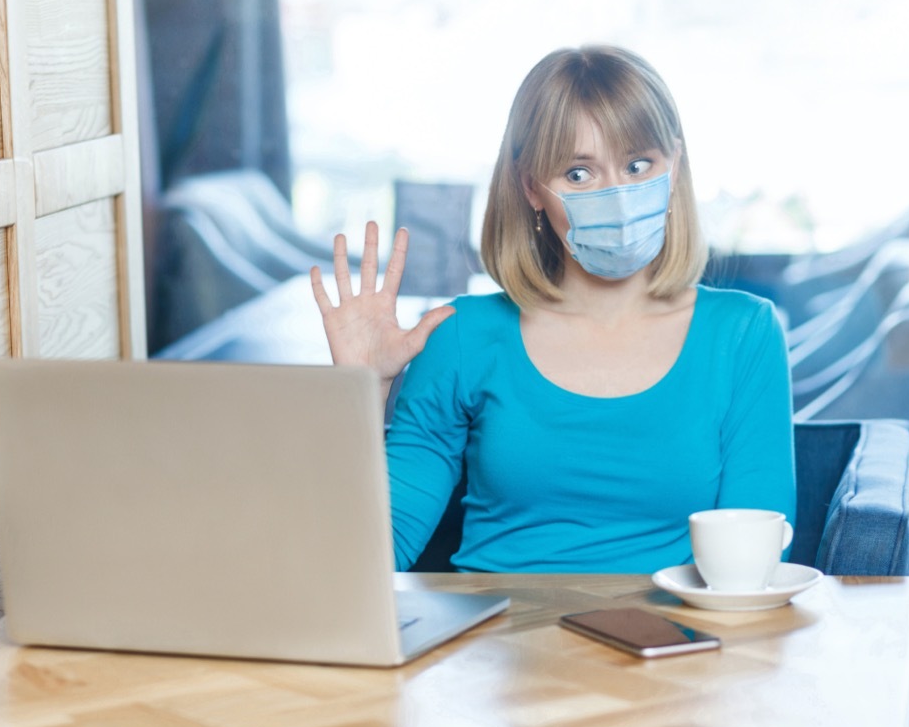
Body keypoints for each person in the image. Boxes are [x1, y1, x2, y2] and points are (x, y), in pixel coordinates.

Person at [310, 45, 795, 573]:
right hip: (492, 647)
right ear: (530, 188)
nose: (617, 194)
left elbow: (753, 566)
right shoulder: (460, 336)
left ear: (674, 165)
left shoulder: (744, 334)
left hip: (671, 647)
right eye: (579, 174)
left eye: (638, 164)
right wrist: (360, 393)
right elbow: (362, 565)